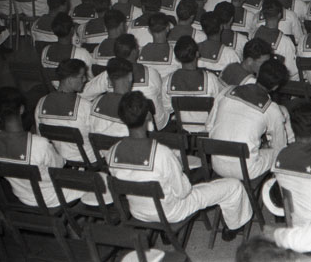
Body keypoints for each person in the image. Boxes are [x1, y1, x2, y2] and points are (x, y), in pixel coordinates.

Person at [107, 91, 252, 239]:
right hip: (172, 212)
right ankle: (233, 227)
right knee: (234, 186)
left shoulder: (112, 152)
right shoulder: (162, 154)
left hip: (138, 211)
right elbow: (183, 192)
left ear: (122, 119)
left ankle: (166, 233)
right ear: (149, 116)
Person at [0, 86, 104, 208]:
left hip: (22, 196)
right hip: (52, 196)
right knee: (101, 180)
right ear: (21, 109)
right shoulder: (39, 144)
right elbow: (58, 165)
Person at [206, 58, 290, 179]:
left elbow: (209, 126)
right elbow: (279, 146)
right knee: (278, 152)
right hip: (245, 170)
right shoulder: (271, 109)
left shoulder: (227, 91)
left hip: (216, 163)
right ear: (276, 87)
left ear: (258, 74)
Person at [84, 33, 168, 131]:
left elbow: (85, 93)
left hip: (118, 124)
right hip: (151, 126)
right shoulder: (152, 73)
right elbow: (161, 97)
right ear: (134, 52)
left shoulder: (108, 74)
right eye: (137, 47)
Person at [34, 58, 96, 164]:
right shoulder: (86, 106)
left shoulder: (41, 102)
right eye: (82, 77)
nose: (85, 79)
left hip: (58, 157)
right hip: (87, 159)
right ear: (70, 80)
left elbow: (41, 136)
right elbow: (96, 136)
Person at [162, 35, 224, 131]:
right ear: (197, 54)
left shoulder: (168, 81)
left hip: (182, 133)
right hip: (207, 132)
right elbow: (220, 103)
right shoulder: (211, 79)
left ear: (177, 58)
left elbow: (166, 108)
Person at [40, 12, 93, 81]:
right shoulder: (82, 53)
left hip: (52, 87)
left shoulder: (46, 50)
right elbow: (90, 78)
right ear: (72, 30)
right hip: (74, 87)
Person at [253, 0, 298, 80]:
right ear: (280, 15)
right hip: (277, 82)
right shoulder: (286, 42)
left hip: (256, 80)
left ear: (263, 14)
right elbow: (293, 72)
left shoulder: (253, 35)